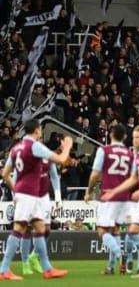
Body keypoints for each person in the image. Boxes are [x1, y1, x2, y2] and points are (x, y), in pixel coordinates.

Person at [0, 120, 72, 280]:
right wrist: (66, 146)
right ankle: (4, 269)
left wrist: (15, 190)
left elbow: (5, 174)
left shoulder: (16, 148)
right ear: (37, 131)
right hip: (29, 194)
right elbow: (61, 160)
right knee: (19, 228)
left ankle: (47, 269)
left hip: (24, 193)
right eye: (40, 129)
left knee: (40, 228)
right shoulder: (35, 146)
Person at [101, 126, 139, 279]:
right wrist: (114, 191)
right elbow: (133, 179)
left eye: (138, 137)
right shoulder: (137, 155)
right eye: (133, 137)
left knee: (133, 231)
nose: (134, 140)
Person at [86, 125, 133, 275]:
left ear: (111, 135)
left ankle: (120, 255)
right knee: (115, 230)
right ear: (125, 137)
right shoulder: (130, 154)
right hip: (124, 197)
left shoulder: (104, 150)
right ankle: (111, 267)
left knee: (102, 230)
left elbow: (94, 174)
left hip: (109, 196)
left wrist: (89, 191)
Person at [19, 133, 62, 276]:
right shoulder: (26, 156)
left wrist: (58, 195)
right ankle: (25, 263)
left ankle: (33, 256)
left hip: (43, 196)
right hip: (28, 195)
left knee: (46, 229)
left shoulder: (47, 156)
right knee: (27, 229)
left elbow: (55, 176)